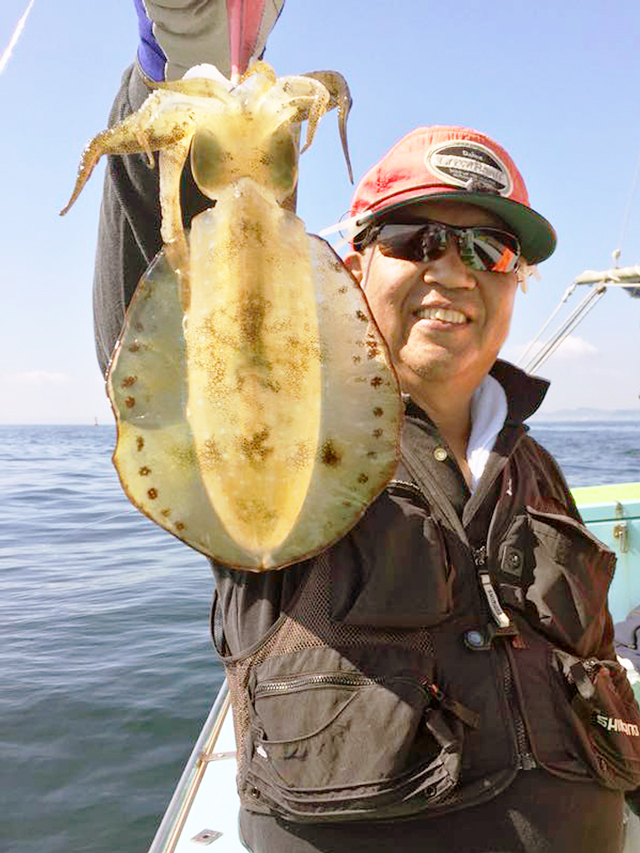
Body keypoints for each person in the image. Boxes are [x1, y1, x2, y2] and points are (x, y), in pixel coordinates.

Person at [92, 3, 640, 851]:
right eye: (417, 240)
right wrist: (177, 63)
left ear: (519, 284)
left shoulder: (542, 476)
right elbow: (173, 308)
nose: (451, 272)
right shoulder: (278, 432)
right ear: (354, 262)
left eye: (491, 251)